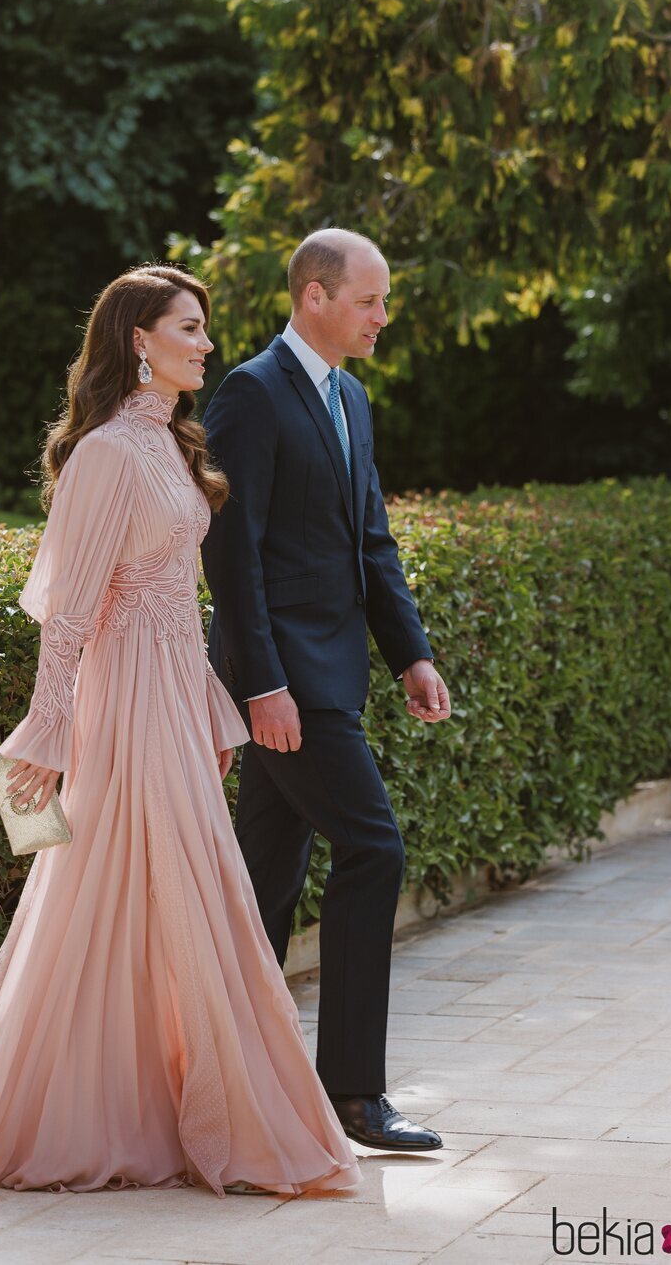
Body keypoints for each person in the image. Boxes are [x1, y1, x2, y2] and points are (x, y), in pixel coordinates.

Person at [0, 265, 362, 1198]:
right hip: (123, 710)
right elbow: (72, 611)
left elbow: (170, 602)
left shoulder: (168, 445)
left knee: (166, 895)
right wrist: (47, 729)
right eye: (188, 328)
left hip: (172, 702)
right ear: (137, 340)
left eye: (204, 328)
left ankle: (160, 1099)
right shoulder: (108, 453)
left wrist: (209, 700)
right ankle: (73, 1111)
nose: (205, 343)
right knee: (134, 889)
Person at [201, 227, 452, 1154]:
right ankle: (351, 1092)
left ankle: (221, 1080)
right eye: (370, 300)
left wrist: (411, 654)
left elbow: (370, 542)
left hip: (336, 672)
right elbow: (232, 548)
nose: (382, 316)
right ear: (316, 295)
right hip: (287, 684)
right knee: (374, 847)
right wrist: (262, 683)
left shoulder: (351, 396)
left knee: (261, 889)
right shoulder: (252, 393)